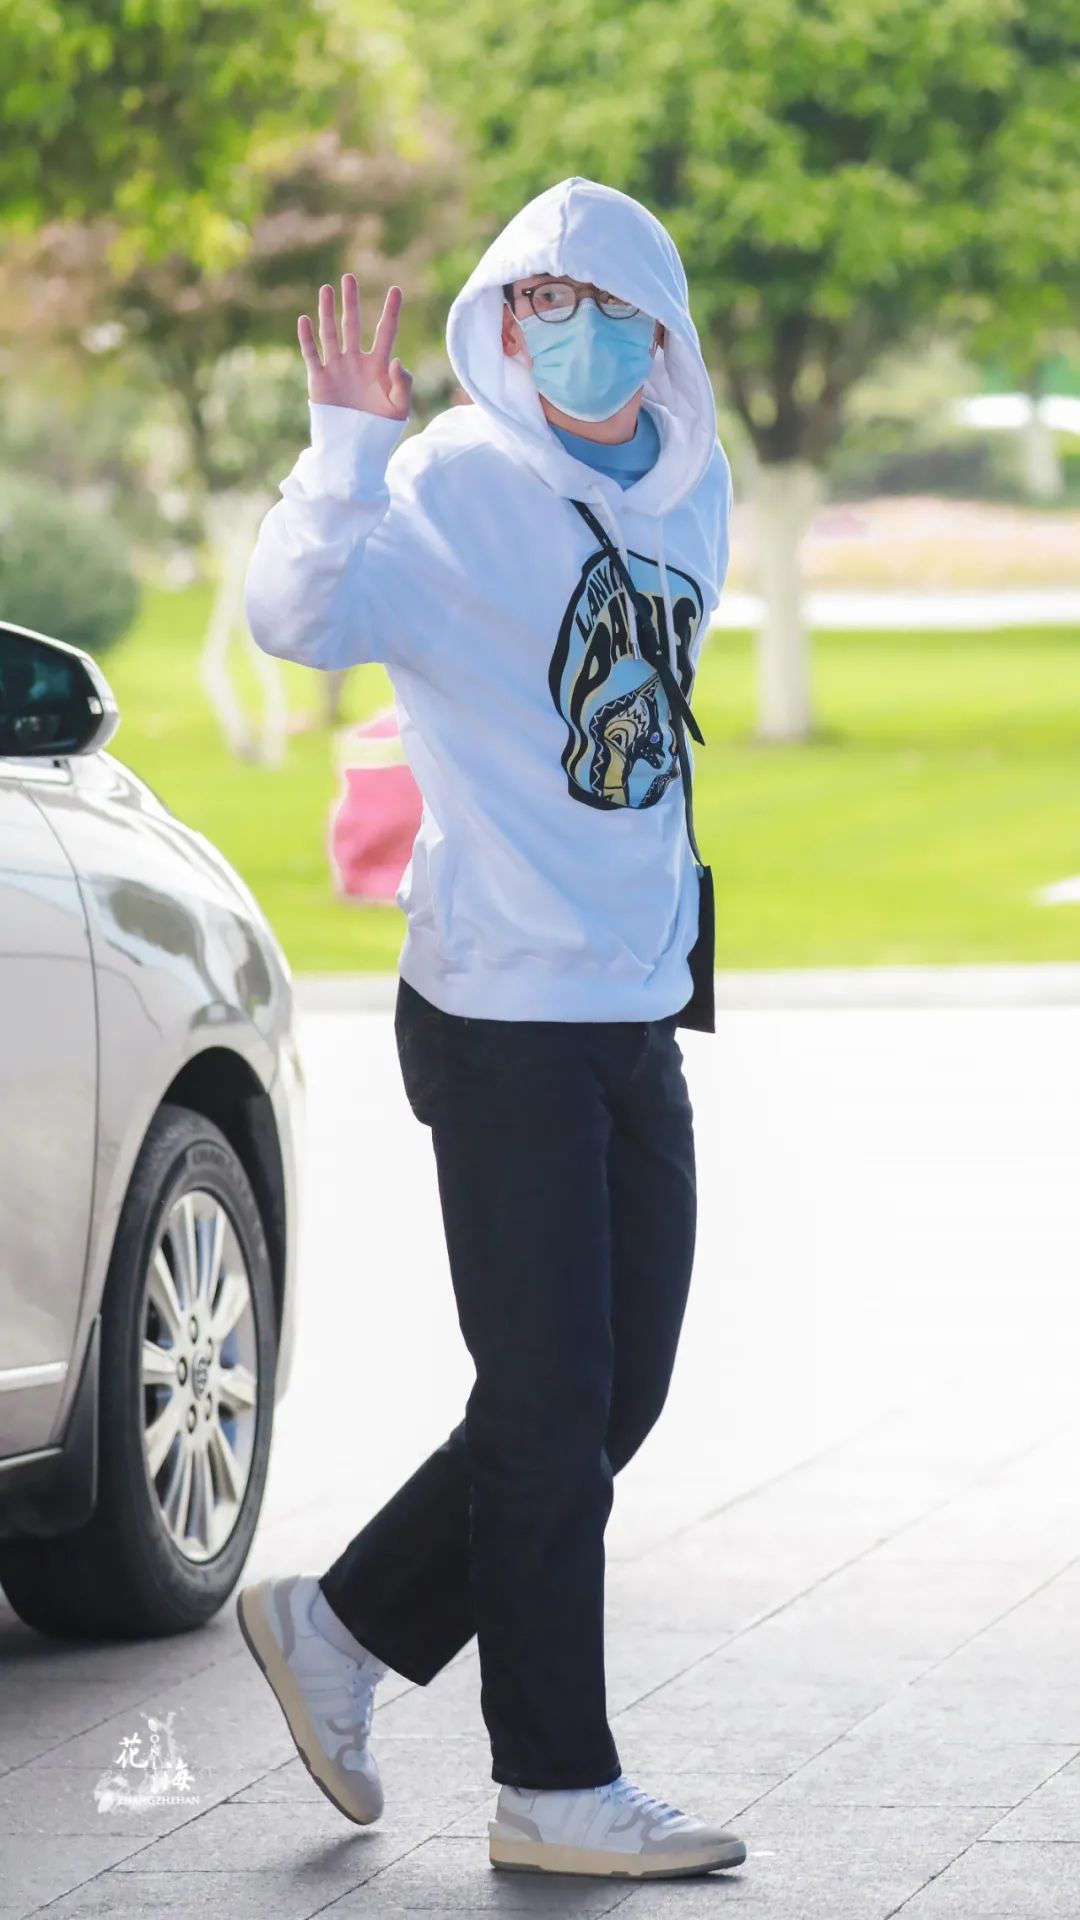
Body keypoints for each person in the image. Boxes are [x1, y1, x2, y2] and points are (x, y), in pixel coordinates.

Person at [237, 175, 741, 1881]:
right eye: (531, 303)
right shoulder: (452, 481)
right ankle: (556, 1786)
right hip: (499, 1005)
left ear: (657, 323)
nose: (564, 329)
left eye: (595, 300)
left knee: (614, 1393)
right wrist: (340, 451)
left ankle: (342, 1630)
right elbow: (300, 622)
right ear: (499, 325)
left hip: (630, 1007)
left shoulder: (692, 483)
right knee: (547, 1405)